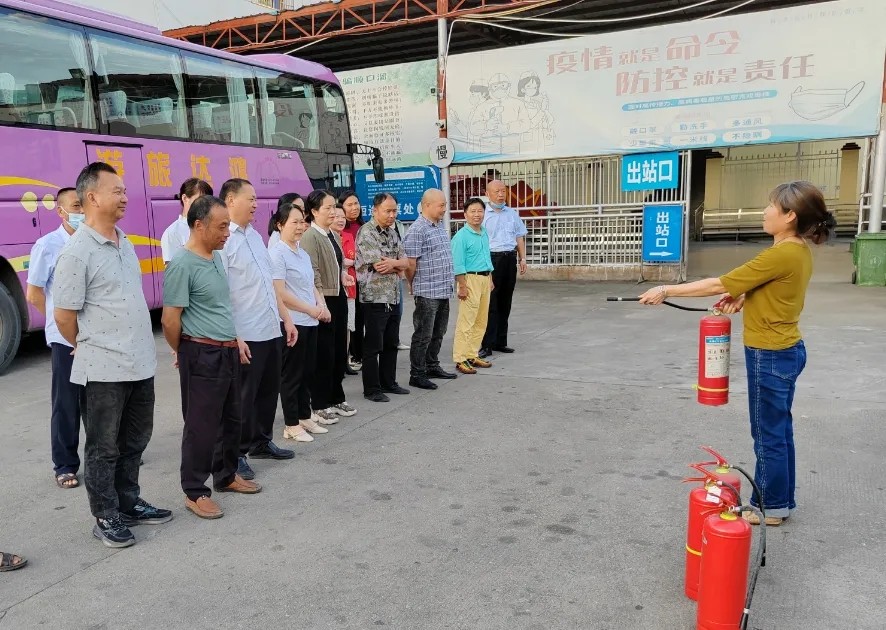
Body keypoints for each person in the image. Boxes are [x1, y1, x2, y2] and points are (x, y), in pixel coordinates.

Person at [639, 181, 836, 527]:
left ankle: (770, 507)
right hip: (786, 349)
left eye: (771, 206)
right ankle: (780, 501)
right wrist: (746, 296)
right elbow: (778, 288)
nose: (765, 211)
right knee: (779, 431)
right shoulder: (797, 250)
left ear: (790, 216)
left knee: (767, 434)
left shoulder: (780, 253)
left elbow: (719, 283)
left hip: (770, 354)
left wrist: (665, 289)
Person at [53, 162, 171, 548]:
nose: (124, 197)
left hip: (140, 361)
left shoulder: (126, 242)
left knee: (135, 440)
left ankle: (128, 502)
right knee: (103, 448)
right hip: (103, 367)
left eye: (124, 190)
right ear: (92, 197)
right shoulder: (77, 252)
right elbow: (64, 316)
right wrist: (89, 344)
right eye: (116, 190)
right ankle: (105, 515)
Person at [162, 195, 261, 521]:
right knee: (201, 425)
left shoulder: (216, 257)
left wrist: (235, 340)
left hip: (227, 349)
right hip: (201, 352)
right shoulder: (181, 264)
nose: (226, 234)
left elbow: (220, 307)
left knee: (231, 419)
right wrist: (184, 351)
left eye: (227, 227)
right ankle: (195, 491)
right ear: (199, 225)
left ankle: (226, 475)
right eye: (221, 227)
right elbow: (170, 319)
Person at [221, 178, 297, 482]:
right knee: (243, 396)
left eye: (255, 199)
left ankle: (261, 441)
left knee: (268, 390)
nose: (255, 204)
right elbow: (221, 292)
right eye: (249, 198)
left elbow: (269, 283)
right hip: (246, 331)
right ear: (230, 200)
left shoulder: (255, 236)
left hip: (269, 326)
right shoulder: (224, 239)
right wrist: (234, 335)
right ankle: (236, 453)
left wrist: (286, 319)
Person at [25, 187, 84, 489]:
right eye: (76, 206)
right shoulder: (47, 245)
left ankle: (108, 454)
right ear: (61, 211)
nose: (81, 211)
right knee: (66, 403)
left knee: (102, 400)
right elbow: (34, 293)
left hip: (94, 335)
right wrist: (57, 322)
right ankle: (65, 464)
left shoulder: (93, 241)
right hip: (65, 338)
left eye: (84, 205)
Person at [269, 202, 331, 442]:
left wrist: (321, 306)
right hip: (293, 322)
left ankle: (305, 416)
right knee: (291, 376)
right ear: (280, 224)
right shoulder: (277, 253)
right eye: (293, 222)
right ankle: (291, 424)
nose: (299, 226)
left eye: (302, 222)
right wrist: (310, 309)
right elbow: (280, 293)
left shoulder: (302, 253)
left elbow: (311, 284)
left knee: (307, 372)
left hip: (311, 320)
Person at [300, 190, 357, 423]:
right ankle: (320, 404)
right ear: (314, 211)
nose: (334, 212)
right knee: (324, 354)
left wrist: (343, 276)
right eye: (328, 208)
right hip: (324, 300)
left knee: (338, 352)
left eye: (334, 207)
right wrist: (321, 303)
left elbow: (336, 265)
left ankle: (336, 397)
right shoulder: (310, 237)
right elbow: (313, 273)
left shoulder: (332, 234)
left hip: (338, 295)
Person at [356, 193, 410, 402]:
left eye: (394, 211)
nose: (392, 215)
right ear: (375, 210)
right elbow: (379, 265)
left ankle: (389, 382)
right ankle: (372, 389)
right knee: (373, 346)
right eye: (388, 211)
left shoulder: (393, 232)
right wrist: (397, 265)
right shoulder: (367, 232)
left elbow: (405, 262)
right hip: (374, 298)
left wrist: (395, 264)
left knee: (391, 343)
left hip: (393, 296)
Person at [403, 189, 457, 390]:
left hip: (443, 289)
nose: (444, 209)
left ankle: (432, 365)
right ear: (426, 205)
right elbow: (410, 264)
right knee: (423, 335)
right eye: (441, 205)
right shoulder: (417, 230)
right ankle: (417, 373)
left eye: (445, 205)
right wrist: (413, 284)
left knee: (439, 331)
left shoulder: (439, 226)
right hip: (427, 291)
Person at [479, 179, 527, 359]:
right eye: (496, 191)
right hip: (492, 259)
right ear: (487, 194)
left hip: (509, 259)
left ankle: (501, 341)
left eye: (503, 191)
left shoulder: (512, 214)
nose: (501, 194)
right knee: (490, 304)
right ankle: (487, 344)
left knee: (505, 302)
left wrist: (522, 258)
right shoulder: (483, 214)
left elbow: (519, 236)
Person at [450, 197, 495, 375]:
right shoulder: (461, 237)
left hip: (484, 278)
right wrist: (462, 286)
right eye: (473, 211)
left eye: (480, 211)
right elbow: (458, 263)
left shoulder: (484, 232)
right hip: (469, 279)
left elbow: (486, 256)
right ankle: (461, 358)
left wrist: (490, 278)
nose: (477, 215)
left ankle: (472, 354)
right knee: (466, 321)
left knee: (481, 320)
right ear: (465, 214)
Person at [331, 206, 359, 376]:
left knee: (348, 326)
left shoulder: (348, 236)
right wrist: (346, 262)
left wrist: (348, 262)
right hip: (333, 290)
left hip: (350, 287)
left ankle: (345, 360)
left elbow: (356, 258)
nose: (340, 220)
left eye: (343, 217)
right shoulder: (326, 238)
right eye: (336, 216)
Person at [160, 178, 213, 263]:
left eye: (207, 201)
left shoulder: (212, 227)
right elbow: (172, 269)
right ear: (185, 198)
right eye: (200, 200)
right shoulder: (172, 233)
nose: (204, 205)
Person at [340, 190, 365, 369]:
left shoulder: (363, 227)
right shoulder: (340, 229)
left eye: (356, 203)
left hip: (364, 279)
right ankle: (353, 354)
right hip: (349, 279)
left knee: (361, 317)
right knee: (351, 319)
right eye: (349, 204)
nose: (354, 207)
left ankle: (359, 353)